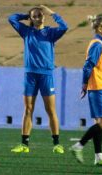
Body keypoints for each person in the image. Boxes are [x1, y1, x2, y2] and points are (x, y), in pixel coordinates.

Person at [8, 5, 68, 153]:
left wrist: (52, 12)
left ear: (44, 16)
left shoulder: (50, 33)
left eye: (39, 15)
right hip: (30, 75)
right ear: (31, 18)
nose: (37, 18)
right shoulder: (26, 31)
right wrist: (25, 15)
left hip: (46, 75)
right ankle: (24, 144)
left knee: (50, 109)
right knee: (28, 109)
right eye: (34, 16)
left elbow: (64, 26)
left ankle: (56, 143)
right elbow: (11, 18)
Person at [69, 14, 102, 167]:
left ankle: (99, 157)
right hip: (99, 88)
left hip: (98, 88)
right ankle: (79, 146)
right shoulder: (97, 45)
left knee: (99, 123)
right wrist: (84, 84)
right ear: (100, 29)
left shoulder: (98, 43)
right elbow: (87, 66)